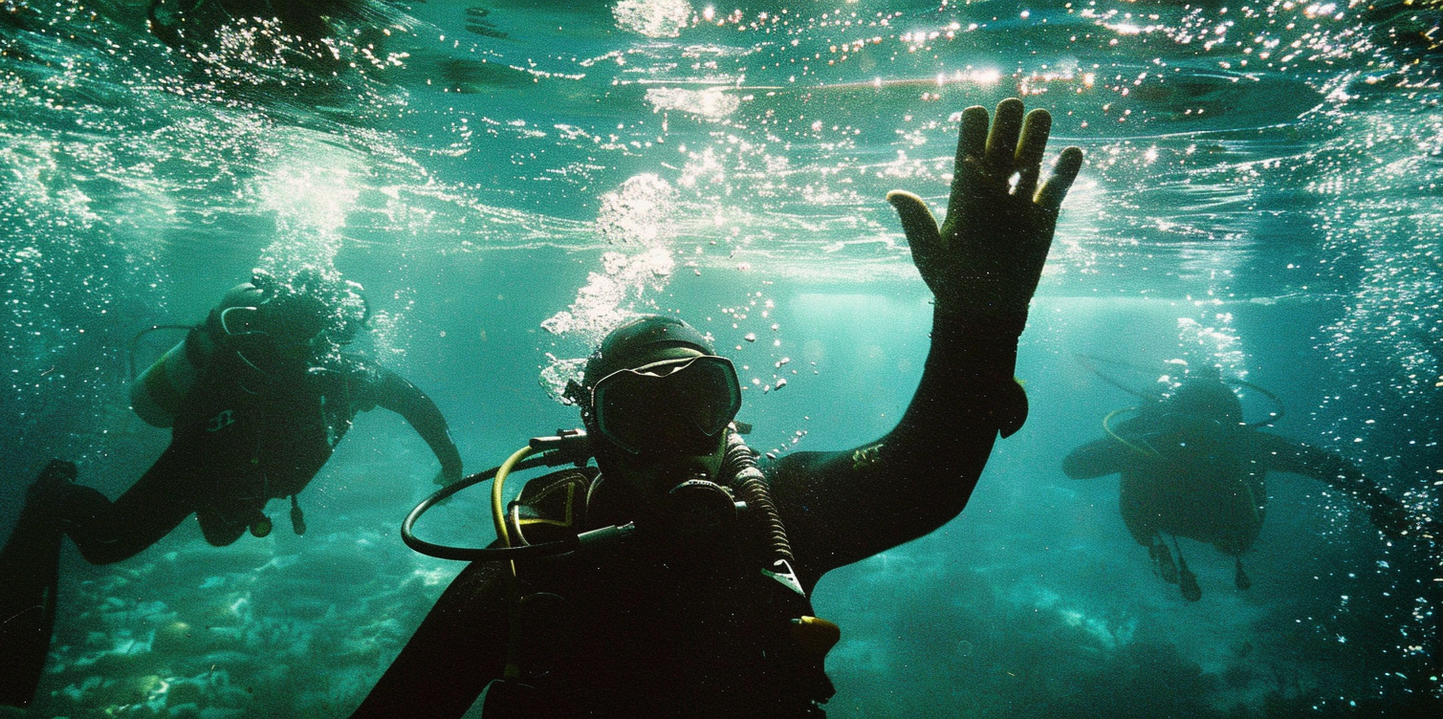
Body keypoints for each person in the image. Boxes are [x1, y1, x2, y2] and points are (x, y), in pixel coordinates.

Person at [351, 97, 1084, 718]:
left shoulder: (779, 508)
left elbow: (927, 475)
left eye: (701, 400)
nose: (678, 440)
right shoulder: (534, 566)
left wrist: (979, 322)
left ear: (730, 412)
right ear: (595, 436)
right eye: (635, 413)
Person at [0, 267, 463, 708]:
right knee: (105, 545)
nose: (304, 340)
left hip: (239, 484)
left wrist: (450, 460)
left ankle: (86, 501)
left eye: (317, 327)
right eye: (297, 324)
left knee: (219, 536)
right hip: (199, 467)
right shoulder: (249, 361)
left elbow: (416, 404)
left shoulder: (349, 375)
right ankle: (53, 494)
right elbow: (196, 422)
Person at [1061, 370, 1412, 601]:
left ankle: (1166, 550)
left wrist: (1140, 431)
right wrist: (1378, 500)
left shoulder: (1150, 438)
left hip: (1161, 523)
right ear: (1236, 418)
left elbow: (1074, 466)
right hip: (1231, 531)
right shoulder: (1248, 442)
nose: (1203, 431)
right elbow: (1327, 466)